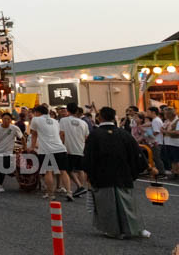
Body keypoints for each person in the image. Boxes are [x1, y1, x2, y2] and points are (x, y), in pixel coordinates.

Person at [84, 107, 150, 239]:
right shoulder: (123, 133)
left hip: (103, 175)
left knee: (107, 205)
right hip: (123, 174)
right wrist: (143, 167)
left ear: (100, 118)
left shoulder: (95, 135)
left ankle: (113, 230)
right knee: (128, 204)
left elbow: (89, 157)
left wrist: (89, 173)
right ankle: (137, 228)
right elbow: (136, 152)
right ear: (114, 117)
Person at [28, 104, 72, 200]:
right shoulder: (55, 121)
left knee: (48, 171)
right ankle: (69, 192)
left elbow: (34, 134)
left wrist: (32, 147)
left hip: (46, 150)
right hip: (60, 148)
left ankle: (51, 194)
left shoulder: (35, 119)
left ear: (37, 112)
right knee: (63, 171)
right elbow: (59, 134)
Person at [60, 102, 89, 197]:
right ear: (77, 110)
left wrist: (62, 145)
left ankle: (80, 187)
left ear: (67, 110)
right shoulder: (83, 123)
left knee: (68, 170)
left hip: (68, 148)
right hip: (81, 148)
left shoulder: (63, 120)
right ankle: (81, 188)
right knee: (80, 169)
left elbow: (62, 134)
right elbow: (86, 137)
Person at [161, 106, 179, 180]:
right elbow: (161, 129)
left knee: (176, 159)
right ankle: (174, 172)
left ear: (169, 114)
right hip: (168, 142)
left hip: (175, 143)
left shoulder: (177, 121)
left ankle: (176, 173)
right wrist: (166, 131)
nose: (164, 115)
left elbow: (177, 132)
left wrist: (166, 132)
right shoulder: (167, 121)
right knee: (171, 159)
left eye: (165, 114)